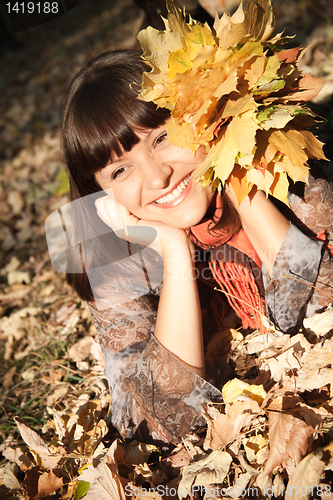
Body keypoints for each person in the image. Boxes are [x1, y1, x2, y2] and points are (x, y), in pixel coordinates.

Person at [61, 47, 333, 447]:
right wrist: (173, 253)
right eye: (120, 170)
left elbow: (325, 314)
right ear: (100, 196)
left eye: (163, 138)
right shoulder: (117, 262)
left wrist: (238, 171)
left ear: (203, 118)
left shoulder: (290, 176)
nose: (158, 177)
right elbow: (155, 425)